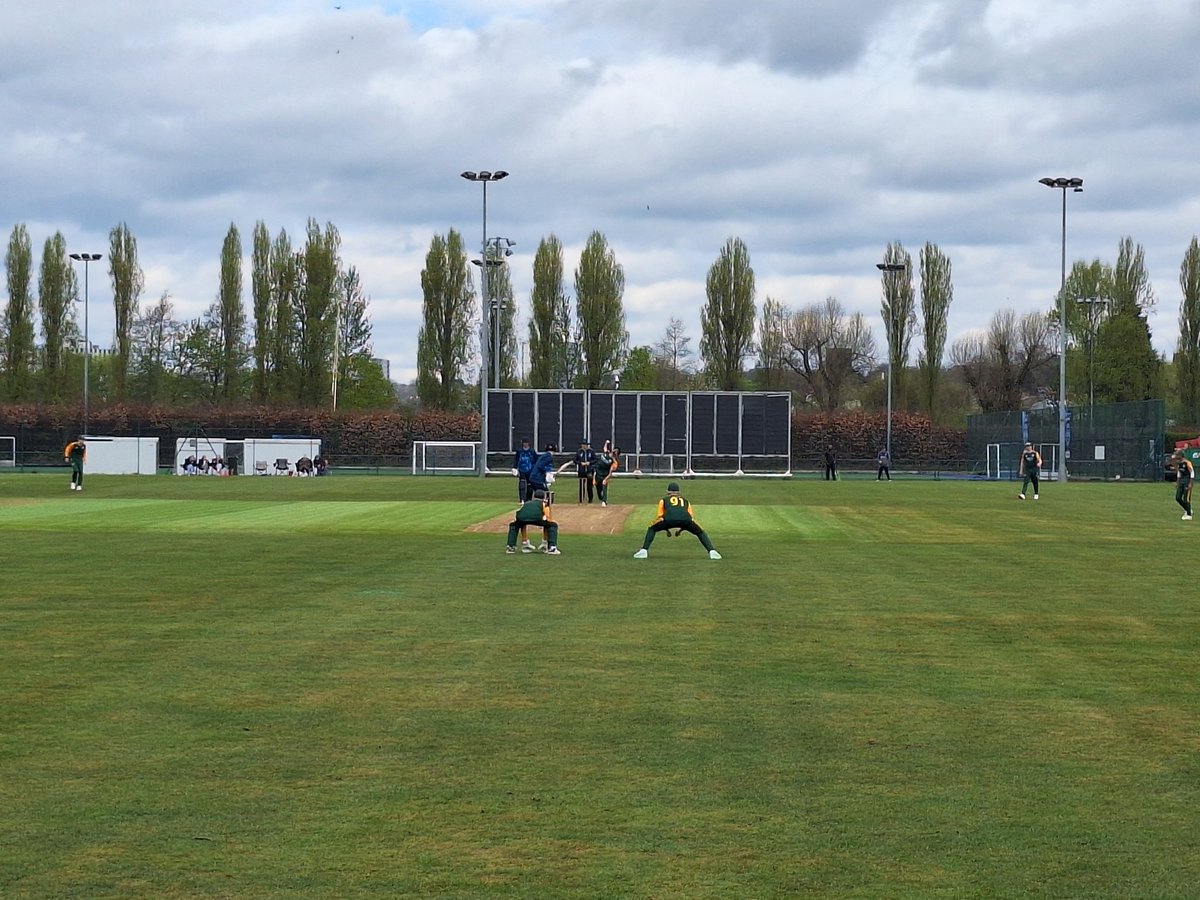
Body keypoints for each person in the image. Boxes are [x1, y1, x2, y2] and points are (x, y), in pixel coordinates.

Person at [633, 482, 721, 560]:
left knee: (651, 528)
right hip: (686, 520)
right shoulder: (686, 501)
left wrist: (666, 528)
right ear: (678, 492)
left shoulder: (663, 500)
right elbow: (689, 516)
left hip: (668, 520)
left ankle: (644, 551)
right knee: (700, 532)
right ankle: (712, 551)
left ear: (667, 492)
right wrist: (681, 529)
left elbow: (660, 517)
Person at [506, 489, 561, 555]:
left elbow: (520, 512)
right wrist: (548, 522)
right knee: (552, 525)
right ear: (544, 497)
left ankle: (511, 547)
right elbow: (548, 517)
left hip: (521, 518)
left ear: (534, 497)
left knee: (514, 525)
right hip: (536, 518)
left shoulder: (527, 503)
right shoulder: (544, 503)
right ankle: (551, 547)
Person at [558, 438, 596, 503]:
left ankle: (590, 499)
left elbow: (595, 460)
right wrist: (581, 463)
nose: (584, 446)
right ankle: (581, 499)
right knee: (581, 485)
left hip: (589, 470)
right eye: (583, 444)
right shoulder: (579, 452)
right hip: (581, 471)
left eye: (586, 445)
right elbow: (575, 460)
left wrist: (589, 463)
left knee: (589, 486)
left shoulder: (591, 451)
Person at [592, 440, 620, 507]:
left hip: (605, 475)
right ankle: (601, 498)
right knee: (598, 489)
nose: (614, 451)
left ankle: (604, 501)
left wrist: (606, 479)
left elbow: (610, 473)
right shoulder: (606, 453)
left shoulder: (614, 462)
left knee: (604, 486)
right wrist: (606, 443)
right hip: (598, 474)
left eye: (616, 452)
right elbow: (605, 448)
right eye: (614, 450)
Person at [511, 437, 538, 502]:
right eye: (524, 443)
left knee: (530, 485)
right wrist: (515, 468)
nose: (525, 444)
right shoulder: (519, 451)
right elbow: (516, 460)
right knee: (522, 484)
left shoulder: (532, 451)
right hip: (522, 470)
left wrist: (536, 469)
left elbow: (535, 460)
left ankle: (528, 499)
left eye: (526, 443)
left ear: (528, 443)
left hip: (530, 470)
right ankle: (522, 499)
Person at [1171, 450, 1194, 520]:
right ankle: (1188, 509)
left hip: (1187, 481)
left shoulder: (1187, 463)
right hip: (1181, 481)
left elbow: (1192, 472)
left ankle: (1189, 515)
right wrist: (1177, 482)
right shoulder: (1179, 463)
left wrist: (1190, 483)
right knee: (1177, 497)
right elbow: (1179, 472)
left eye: (1177, 455)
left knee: (1186, 498)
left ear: (1181, 456)